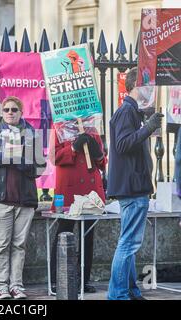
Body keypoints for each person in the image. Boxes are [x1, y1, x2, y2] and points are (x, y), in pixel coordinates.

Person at [0, 96, 46, 299]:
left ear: (21, 112)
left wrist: (19, 160)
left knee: (18, 245)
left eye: (14, 109)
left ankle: (16, 285)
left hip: (24, 200)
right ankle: (0, 286)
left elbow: (39, 168)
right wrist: (1, 157)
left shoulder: (31, 133)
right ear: (2, 111)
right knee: (1, 243)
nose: (10, 113)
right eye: (6, 109)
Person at [107, 67, 164, 300]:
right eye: (147, 86)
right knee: (128, 244)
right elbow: (123, 144)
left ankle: (130, 290)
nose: (150, 91)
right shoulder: (126, 112)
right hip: (131, 188)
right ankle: (118, 294)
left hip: (133, 186)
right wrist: (148, 128)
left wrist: (146, 125)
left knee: (129, 244)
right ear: (136, 87)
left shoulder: (132, 112)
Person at [49, 123, 107, 293]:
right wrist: (73, 148)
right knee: (63, 232)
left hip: (90, 191)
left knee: (88, 236)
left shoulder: (92, 128)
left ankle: (84, 279)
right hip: (69, 190)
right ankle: (56, 278)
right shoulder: (59, 127)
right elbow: (54, 157)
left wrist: (97, 154)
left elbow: (102, 162)